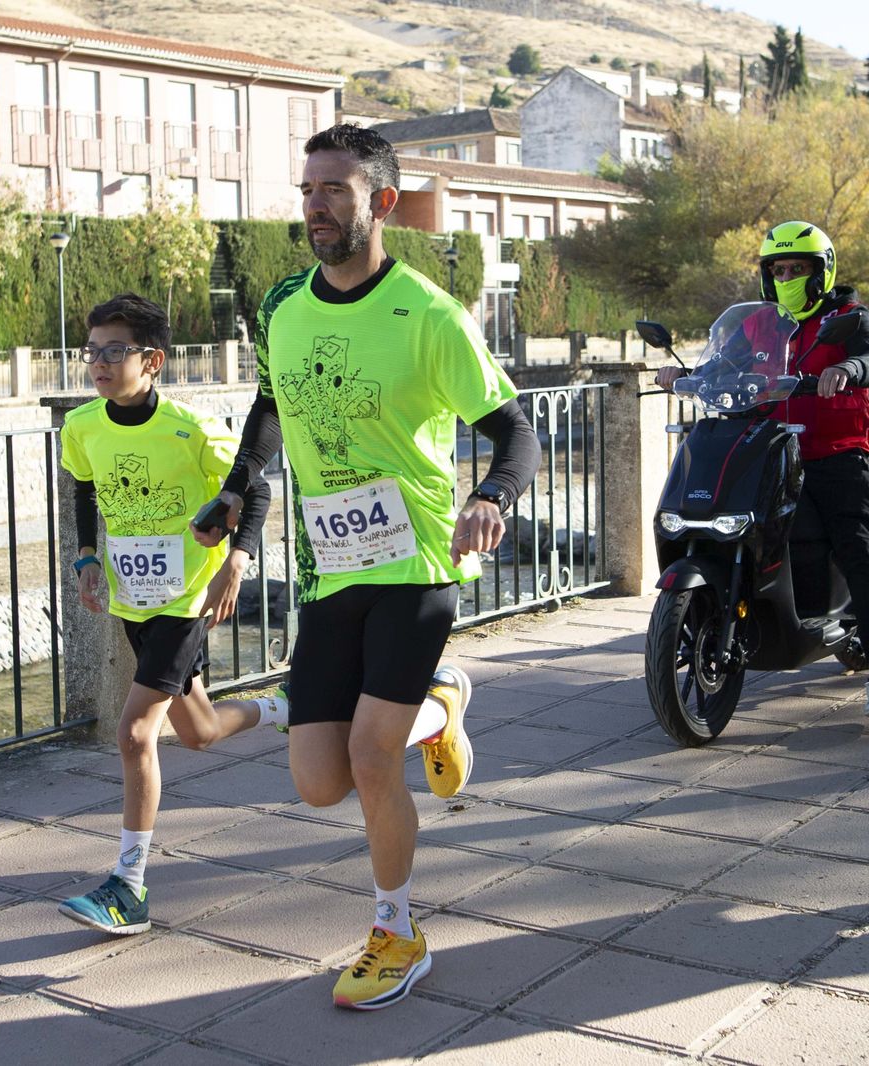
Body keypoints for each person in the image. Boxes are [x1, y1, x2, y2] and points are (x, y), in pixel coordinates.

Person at [194, 124, 541, 1010]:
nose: (314, 206)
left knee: (371, 759)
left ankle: (397, 930)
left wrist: (493, 495)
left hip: (416, 559)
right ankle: (441, 706)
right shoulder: (280, 307)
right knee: (319, 781)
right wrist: (238, 496)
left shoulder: (429, 315)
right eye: (308, 189)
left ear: (381, 203)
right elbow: (271, 409)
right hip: (329, 566)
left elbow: (513, 427)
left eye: (334, 191)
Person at [57, 293, 287, 936]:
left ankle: (128, 887)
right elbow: (82, 485)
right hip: (134, 600)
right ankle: (283, 708)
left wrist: (237, 561)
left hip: (187, 600)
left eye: (114, 351)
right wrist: (85, 557)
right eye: (92, 351)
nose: (99, 363)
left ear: (152, 360)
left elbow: (257, 487)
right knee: (199, 732)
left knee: (135, 734)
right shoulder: (82, 427)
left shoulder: (192, 430)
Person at [656, 221, 869, 718]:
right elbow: (722, 364)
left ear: (821, 272)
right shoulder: (760, 324)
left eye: (798, 268)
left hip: (839, 450)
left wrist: (848, 370)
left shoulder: (848, 315)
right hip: (773, 451)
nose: (787, 275)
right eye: (779, 268)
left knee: (856, 548)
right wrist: (687, 377)